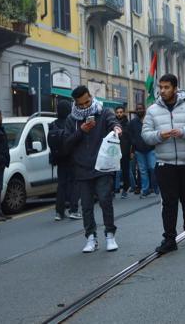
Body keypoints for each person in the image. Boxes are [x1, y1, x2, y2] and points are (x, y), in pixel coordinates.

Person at [142, 74, 185, 254]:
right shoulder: (153, 110)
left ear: (175, 88)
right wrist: (158, 136)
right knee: (168, 202)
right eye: (161, 87)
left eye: (166, 87)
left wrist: (183, 132)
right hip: (165, 163)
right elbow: (145, 135)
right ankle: (169, 238)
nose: (162, 91)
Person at [63, 86, 122, 252]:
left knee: (105, 200)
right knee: (87, 206)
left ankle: (110, 234)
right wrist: (80, 131)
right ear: (75, 103)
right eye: (80, 104)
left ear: (91, 97)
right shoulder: (71, 119)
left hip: (103, 166)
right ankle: (90, 237)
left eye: (87, 102)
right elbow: (66, 144)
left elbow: (113, 122)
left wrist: (117, 128)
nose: (84, 107)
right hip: (81, 168)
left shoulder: (103, 112)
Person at [48, 100, 81, 221]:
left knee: (61, 184)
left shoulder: (52, 124)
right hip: (72, 157)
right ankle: (74, 210)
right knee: (74, 183)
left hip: (59, 158)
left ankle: (59, 212)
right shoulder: (72, 122)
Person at [130, 103, 159, 197]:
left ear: (144, 109)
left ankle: (155, 188)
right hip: (139, 151)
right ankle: (145, 190)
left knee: (153, 168)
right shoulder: (133, 122)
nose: (139, 110)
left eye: (141, 108)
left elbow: (156, 132)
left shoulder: (150, 120)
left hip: (151, 149)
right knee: (142, 171)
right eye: (137, 109)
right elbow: (130, 136)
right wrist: (133, 147)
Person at [114, 106, 132, 198]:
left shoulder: (128, 124)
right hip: (114, 151)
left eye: (121, 112)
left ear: (124, 113)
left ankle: (125, 189)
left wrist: (131, 151)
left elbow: (130, 138)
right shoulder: (113, 123)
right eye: (117, 112)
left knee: (125, 171)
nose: (119, 114)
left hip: (125, 151)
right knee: (113, 171)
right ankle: (113, 190)